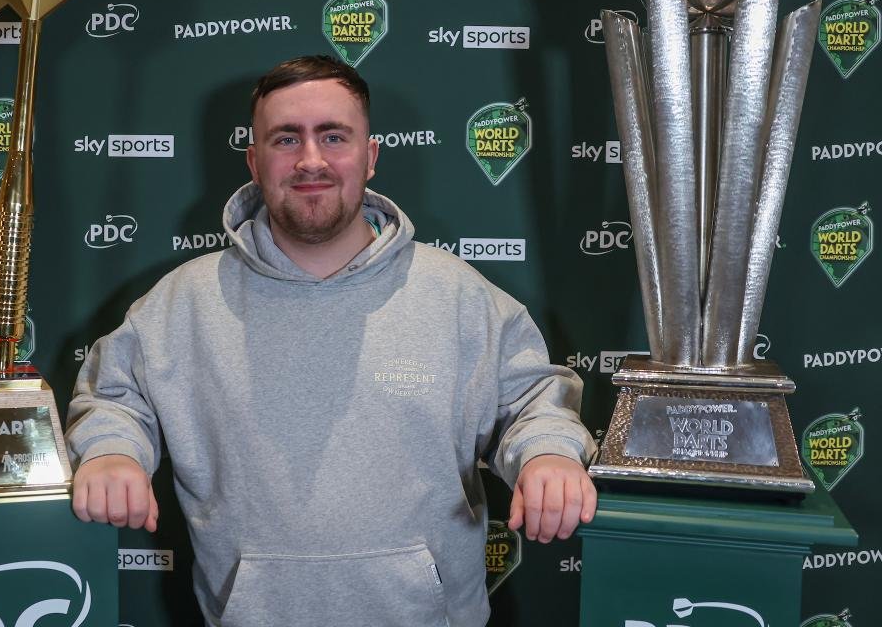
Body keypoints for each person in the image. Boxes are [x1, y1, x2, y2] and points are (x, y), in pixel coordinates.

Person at [66, 55, 598, 626]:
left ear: (369, 158)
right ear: (254, 161)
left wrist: (548, 454)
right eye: (286, 139)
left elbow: (532, 401)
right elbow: (114, 399)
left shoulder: (458, 295)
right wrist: (112, 452)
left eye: (334, 136)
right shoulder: (182, 302)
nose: (311, 159)